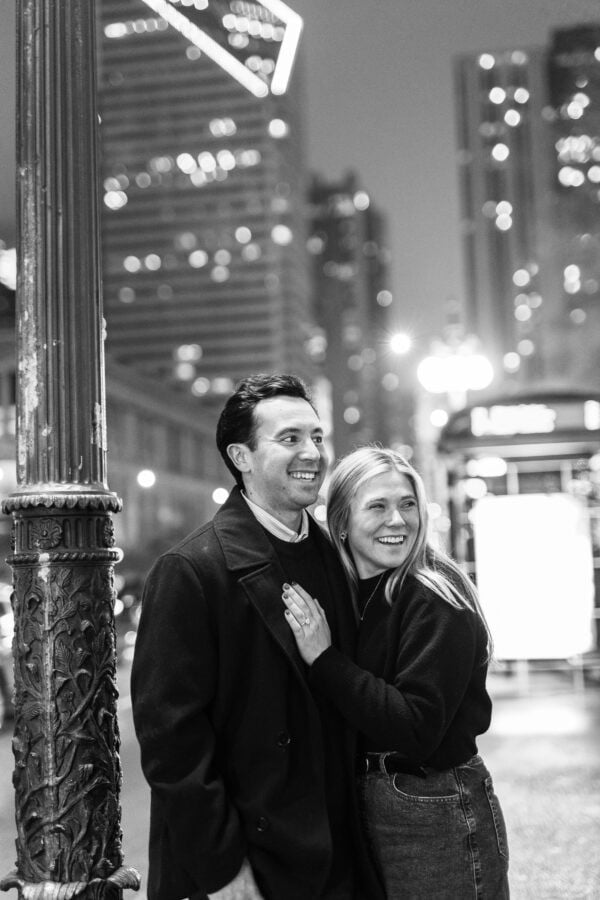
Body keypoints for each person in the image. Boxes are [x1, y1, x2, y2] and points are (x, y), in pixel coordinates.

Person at [130, 374, 383, 900]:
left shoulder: (338, 556)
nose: (311, 452)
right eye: (289, 439)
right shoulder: (189, 569)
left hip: (338, 854)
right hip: (246, 865)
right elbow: (172, 744)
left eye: (316, 437)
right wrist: (222, 871)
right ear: (241, 457)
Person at [282, 446, 510, 899]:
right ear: (342, 522)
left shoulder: (433, 596)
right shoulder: (350, 594)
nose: (398, 520)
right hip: (366, 803)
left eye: (407, 504)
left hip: (431, 806)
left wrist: (325, 660)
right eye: (378, 506)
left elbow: (415, 726)